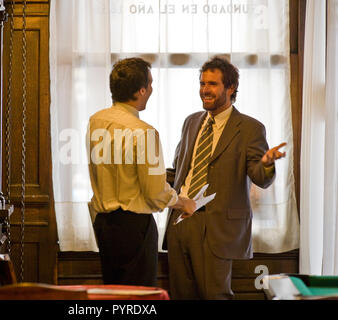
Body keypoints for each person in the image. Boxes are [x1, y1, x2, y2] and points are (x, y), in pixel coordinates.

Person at [163, 56, 287, 299]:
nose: (204, 90)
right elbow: (178, 171)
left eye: (212, 84)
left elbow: (260, 177)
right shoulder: (191, 122)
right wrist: (148, 177)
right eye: (202, 83)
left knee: (215, 296)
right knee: (180, 295)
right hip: (180, 222)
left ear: (230, 88)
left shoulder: (250, 128)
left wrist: (267, 164)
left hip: (217, 228)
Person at [87, 57, 196, 287]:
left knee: (114, 295)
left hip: (104, 225)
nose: (152, 89)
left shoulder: (95, 121)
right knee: (138, 296)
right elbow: (155, 193)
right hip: (134, 228)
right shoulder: (144, 133)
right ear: (141, 90)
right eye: (151, 84)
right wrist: (182, 202)